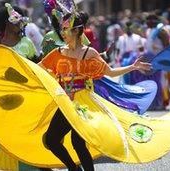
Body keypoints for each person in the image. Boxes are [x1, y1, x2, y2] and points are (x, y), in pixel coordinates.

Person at [39, 11, 151, 171]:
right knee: (51, 140)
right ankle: (73, 168)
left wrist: (134, 67)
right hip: (65, 101)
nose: (62, 33)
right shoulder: (58, 52)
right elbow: (37, 68)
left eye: (65, 29)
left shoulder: (88, 53)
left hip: (82, 103)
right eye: (62, 29)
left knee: (78, 143)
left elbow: (110, 72)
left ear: (76, 30)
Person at [0, 3, 52, 171]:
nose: (20, 24)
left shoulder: (27, 43)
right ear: (6, 23)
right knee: (3, 135)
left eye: (20, 21)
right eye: (16, 21)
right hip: (2, 98)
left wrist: (50, 54)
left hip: (27, 97)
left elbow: (37, 66)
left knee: (29, 133)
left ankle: (40, 164)